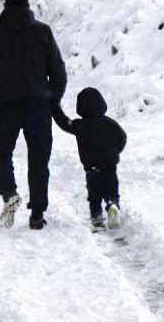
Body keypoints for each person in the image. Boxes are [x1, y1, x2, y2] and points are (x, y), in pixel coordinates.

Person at [0, 0, 67, 230]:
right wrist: (53, 98)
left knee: (0, 153)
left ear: (5, 5)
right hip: (38, 107)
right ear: (27, 6)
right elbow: (58, 70)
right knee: (39, 159)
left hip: (3, 107)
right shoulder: (42, 32)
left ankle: (9, 193)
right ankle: (37, 213)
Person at [52, 88, 127, 229]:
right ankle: (112, 205)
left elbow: (63, 122)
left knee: (94, 197)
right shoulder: (111, 123)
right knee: (112, 192)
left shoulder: (80, 125)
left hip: (92, 171)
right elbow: (122, 138)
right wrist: (115, 152)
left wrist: (55, 107)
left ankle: (97, 218)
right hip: (111, 169)